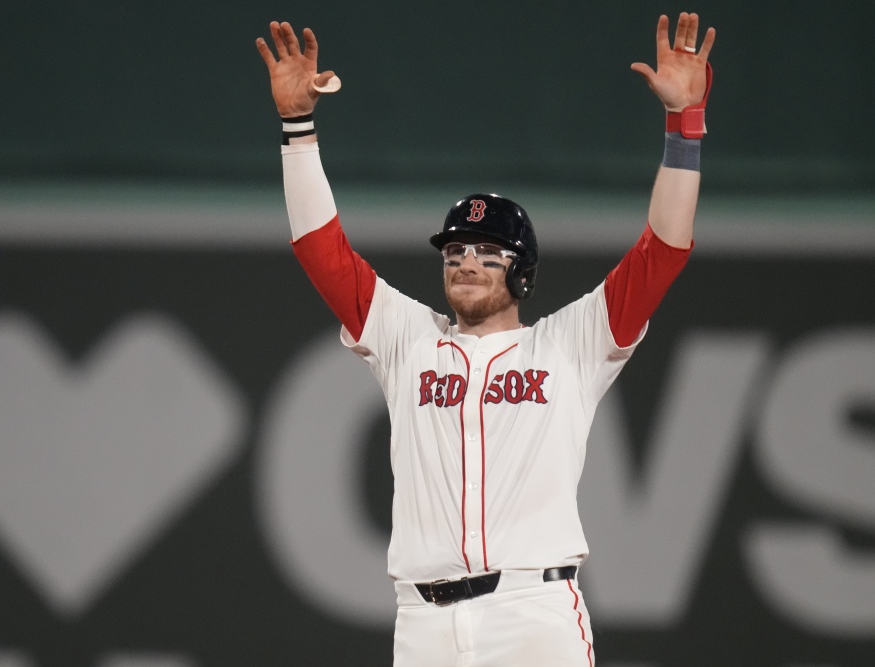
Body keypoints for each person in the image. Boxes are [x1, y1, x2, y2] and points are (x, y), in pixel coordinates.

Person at [256, 13, 715, 667]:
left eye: (488, 251)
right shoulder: (405, 338)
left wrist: (684, 126)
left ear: (522, 270)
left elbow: (664, 248)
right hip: (423, 623)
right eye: (456, 249)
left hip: (533, 613)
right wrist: (298, 133)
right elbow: (319, 249)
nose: (467, 260)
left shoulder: (571, 344)